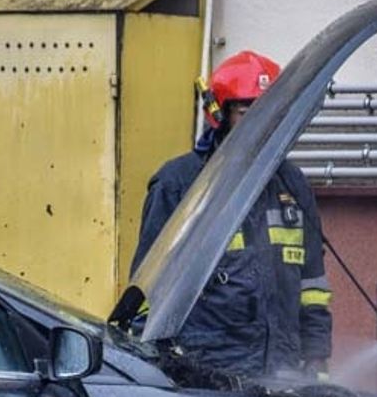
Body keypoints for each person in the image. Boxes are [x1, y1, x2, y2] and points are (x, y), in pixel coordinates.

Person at [132, 50, 332, 378]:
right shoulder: (179, 184)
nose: (262, 124)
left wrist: (316, 355)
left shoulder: (292, 184)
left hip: (282, 369)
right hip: (206, 373)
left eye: (271, 113)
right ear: (219, 114)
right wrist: (156, 366)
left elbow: (313, 282)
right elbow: (147, 289)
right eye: (246, 111)